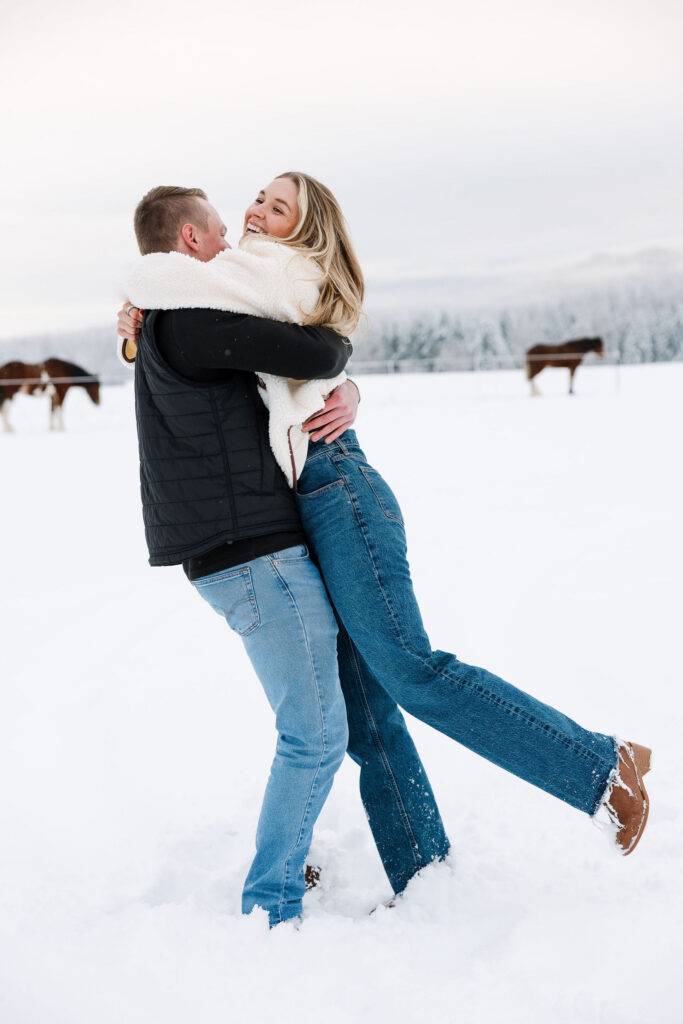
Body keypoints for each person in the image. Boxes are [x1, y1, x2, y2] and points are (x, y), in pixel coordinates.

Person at [120, 175, 652, 915]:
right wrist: (137, 317)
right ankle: (423, 873)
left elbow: (314, 346)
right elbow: (246, 337)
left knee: (410, 671)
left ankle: (600, 766)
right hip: (307, 503)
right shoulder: (239, 284)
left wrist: (154, 299)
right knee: (367, 713)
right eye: (255, 201)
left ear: (303, 232)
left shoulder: (271, 272)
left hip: (340, 492)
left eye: (275, 207)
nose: (252, 213)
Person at [121, 185, 451, 927]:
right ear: (189, 241)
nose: (233, 231)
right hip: (254, 556)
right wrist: (342, 363)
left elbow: (296, 374)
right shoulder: (194, 320)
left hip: (261, 547)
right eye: (218, 222)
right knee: (316, 734)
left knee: (352, 720)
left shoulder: (178, 316)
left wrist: (349, 392)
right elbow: (320, 347)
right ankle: (268, 905)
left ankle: (419, 871)